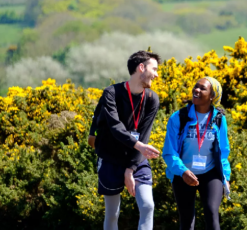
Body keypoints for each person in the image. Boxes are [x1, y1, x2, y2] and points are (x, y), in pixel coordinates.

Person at [88, 50, 162, 230]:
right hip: (111, 157)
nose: (157, 74)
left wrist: (131, 168)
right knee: (112, 214)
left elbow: (144, 135)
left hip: (137, 157)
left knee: (147, 205)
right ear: (141, 67)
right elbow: (115, 128)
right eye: (154, 69)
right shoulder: (111, 93)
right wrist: (139, 145)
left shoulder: (152, 99)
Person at [163, 77, 231, 230]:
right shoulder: (178, 117)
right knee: (187, 221)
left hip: (210, 173)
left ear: (212, 96)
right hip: (183, 174)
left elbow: (223, 151)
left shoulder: (219, 119)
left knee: (211, 213)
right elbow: (169, 152)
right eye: (196, 87)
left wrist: (225, 176)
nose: (196, 90)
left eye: (202, 88)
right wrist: (183, 171)